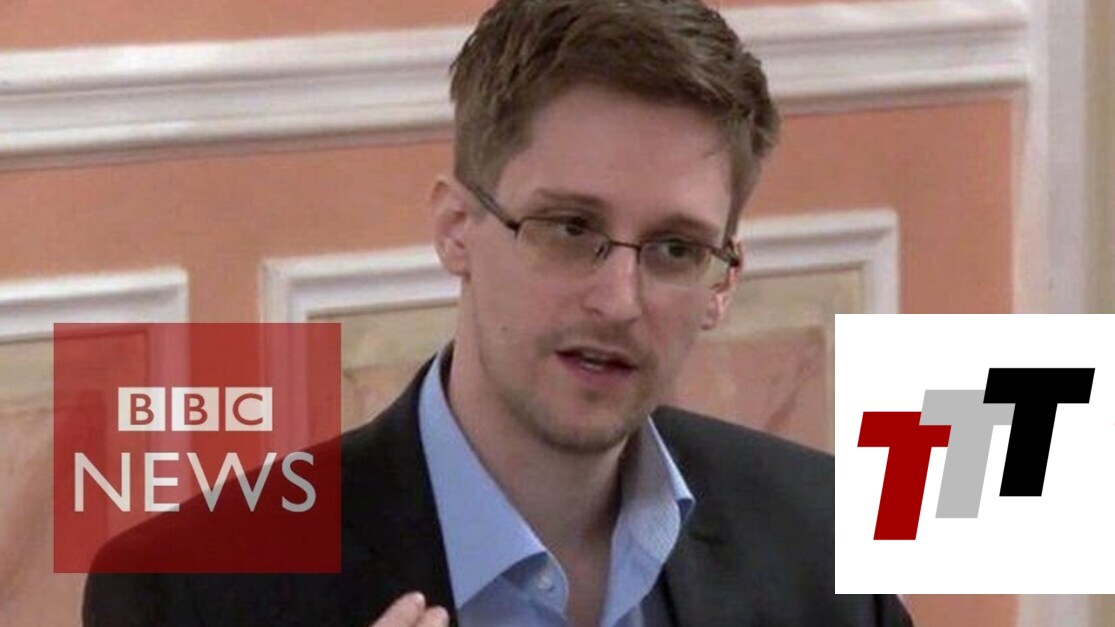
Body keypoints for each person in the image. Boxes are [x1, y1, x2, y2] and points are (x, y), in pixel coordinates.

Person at [85, 0, 913, 625]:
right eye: (569, 229)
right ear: (456, 229)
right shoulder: (187, 590)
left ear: (722, 282)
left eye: (674, 248)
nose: (618, 301)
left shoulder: (824, 538)